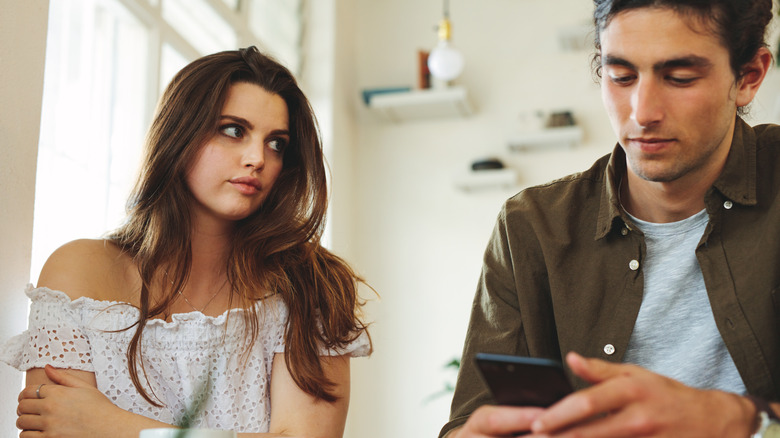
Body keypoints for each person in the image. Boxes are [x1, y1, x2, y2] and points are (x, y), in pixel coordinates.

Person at [441, 0, 780, 437]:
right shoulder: (531, 227)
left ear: (749, 77)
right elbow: (471, 419)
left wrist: (738, 420)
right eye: (621, 76)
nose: (642, 112)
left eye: (679, 78)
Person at [2, 46, 371, 438]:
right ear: (180, 132)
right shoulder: (77, 272)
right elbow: (53, 429)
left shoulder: (311, 286)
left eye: (276, 143)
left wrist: (114, 426)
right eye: (234, 130)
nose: (257, 158)